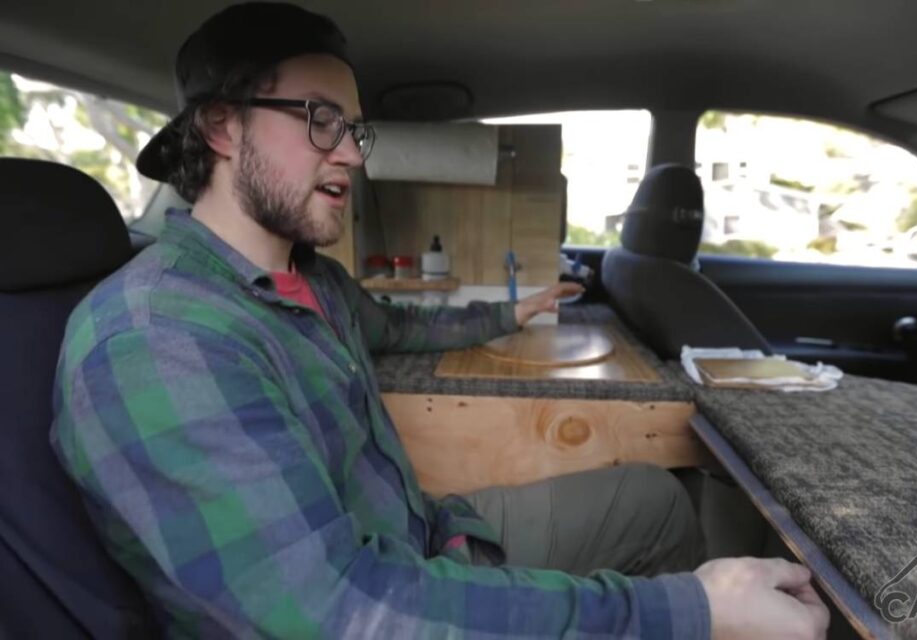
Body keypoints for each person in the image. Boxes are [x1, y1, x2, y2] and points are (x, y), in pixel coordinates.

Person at [50, 3, 828, 638]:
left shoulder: (308, 278)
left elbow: (397, 329)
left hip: (426, 532)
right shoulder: (159, 338)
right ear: (221, 129)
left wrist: (509, 312)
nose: (352, 154)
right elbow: (337, 612)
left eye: (354, 129)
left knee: (654, 502)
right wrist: (689, 611)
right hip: (380, 596)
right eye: (321, 119)